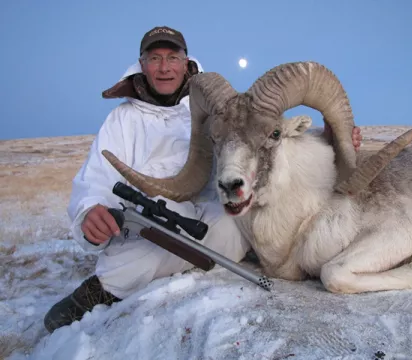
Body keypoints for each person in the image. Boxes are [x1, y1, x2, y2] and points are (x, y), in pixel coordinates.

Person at [43, 25, 363, 333]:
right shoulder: (122, 120)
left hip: (212, 215)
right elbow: (95, 179)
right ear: (141, 65)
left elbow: (258, 140)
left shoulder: (212, 108)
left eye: (173, 58)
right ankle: (104, 288)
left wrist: (334, 140)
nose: (164, 67)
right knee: (157, 233)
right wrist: (89, 212)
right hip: (149, 216)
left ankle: (152, 266)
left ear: (186, 63)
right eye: (155, 59)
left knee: (240, 225)